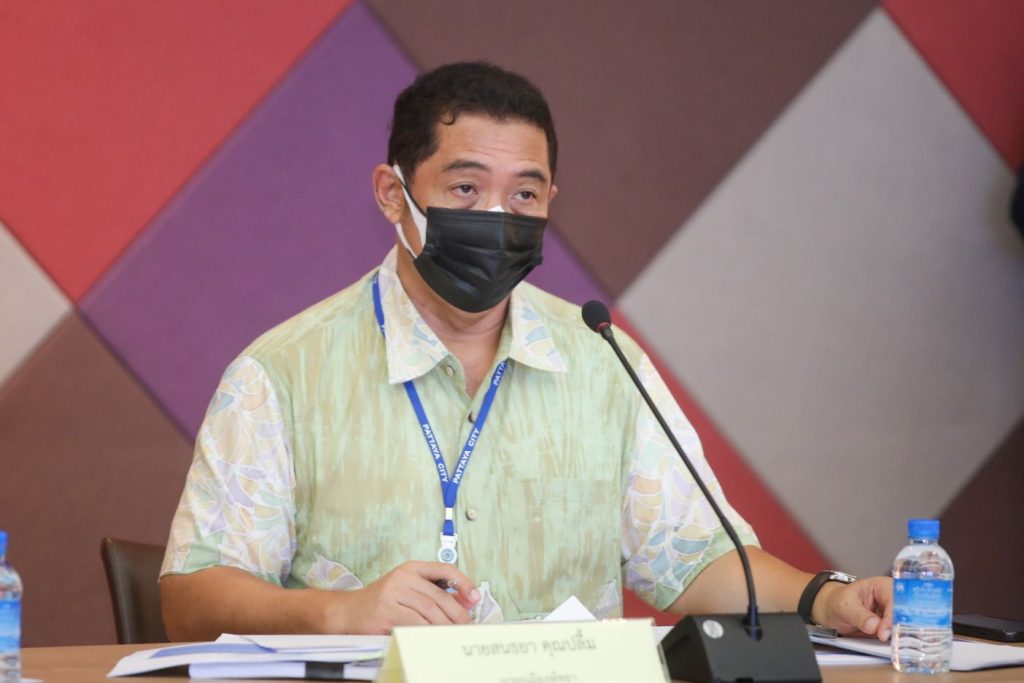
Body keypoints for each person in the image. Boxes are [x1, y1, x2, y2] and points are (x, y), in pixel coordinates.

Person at [160, 61, 894, 641]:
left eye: (523, 197)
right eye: (465, 187)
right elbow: (190, 599)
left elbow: (698, 560)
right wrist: (338, 612)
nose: (496, 217)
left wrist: (826, 598)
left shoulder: (603, 361)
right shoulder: (283, 373)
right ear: (392, 194)